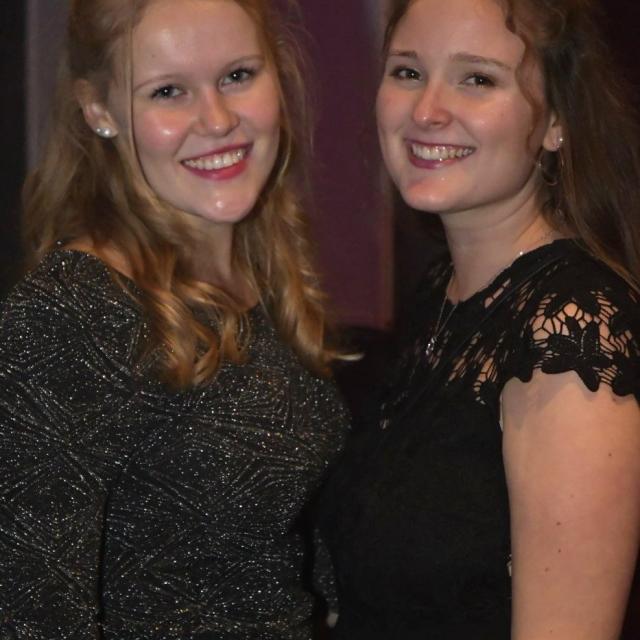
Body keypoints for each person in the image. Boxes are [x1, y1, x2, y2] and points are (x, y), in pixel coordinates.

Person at [0, 0, 349, 638]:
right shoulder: (73, 312)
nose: (217, 119)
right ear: (99, 110)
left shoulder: (260, 269)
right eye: (168, 91)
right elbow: (31, 615)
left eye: (238, 75)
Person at [317, 0, 640, 638]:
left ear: (557, 121)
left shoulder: (570, 327)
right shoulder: (445, 291)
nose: (427, 110)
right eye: (408, 72)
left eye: (478, 79)